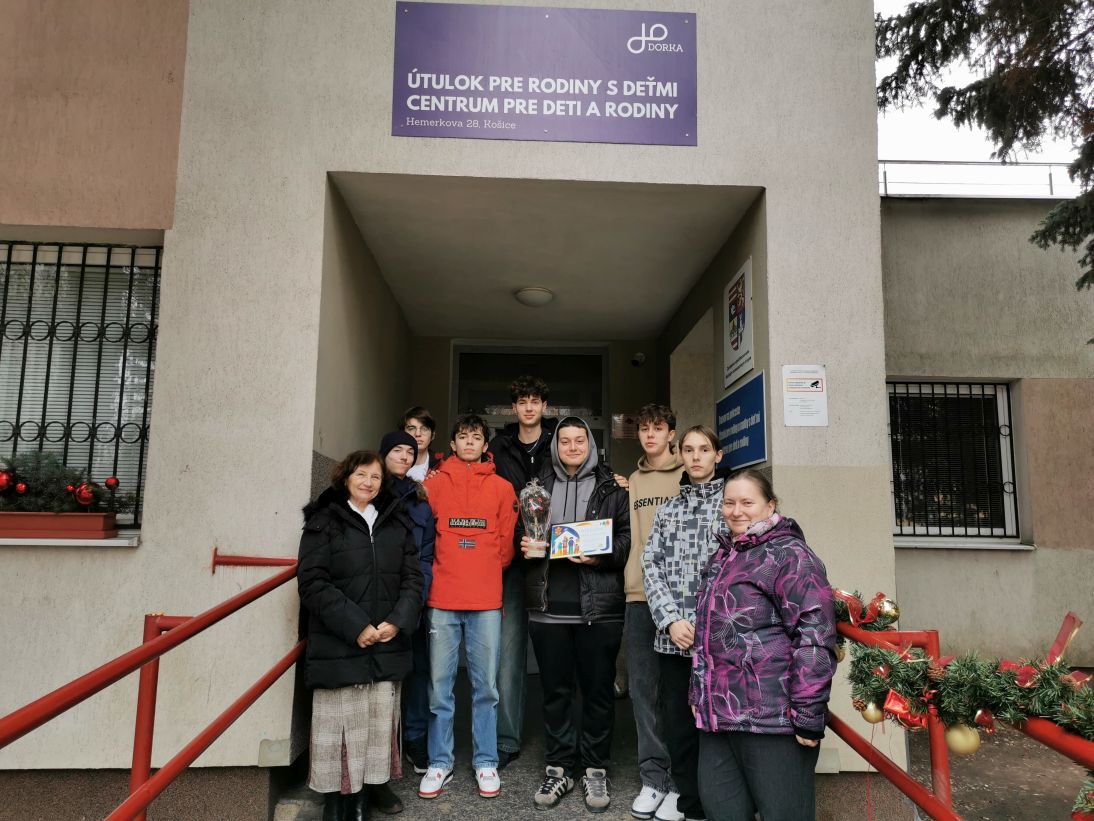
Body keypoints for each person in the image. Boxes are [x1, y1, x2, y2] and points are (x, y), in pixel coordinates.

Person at [690, 469, 836, 821]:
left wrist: (808, 715)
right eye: (729, 503)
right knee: (721, 811)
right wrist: (699, 698)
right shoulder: (724, 555)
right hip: (719, 717)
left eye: (747, 502)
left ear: (770, 506)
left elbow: (814, 632)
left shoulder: (790, 555)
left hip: (773, 721)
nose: (736, 511)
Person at [297, 451, 424, 821]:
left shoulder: (395, 522)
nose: (368, 482)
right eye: (361, 474)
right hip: (340, 644)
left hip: (386, 642)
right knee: (338, 726)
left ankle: (365, 796)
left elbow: (413, 578)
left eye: (376, 477)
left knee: (377, 724)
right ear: (346, 477)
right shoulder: (324, 521)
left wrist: (397, 621)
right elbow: (312, 582)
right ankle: (335, 802)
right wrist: (356, 626)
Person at [521, 416, 630, 814]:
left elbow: (626, 542)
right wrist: (525, 545)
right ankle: (560, 767)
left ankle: (595, 768)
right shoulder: (536, 488)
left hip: (598, 610)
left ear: (590, 444)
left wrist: (600, 556)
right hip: (549, 607)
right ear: (555, 446)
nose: (571, 447)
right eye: (564, 441)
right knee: (555, 693)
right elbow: (524, 533)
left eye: (579, 440)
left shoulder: (612, 488)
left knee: (598, 693)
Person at [419, 414, 519, 800]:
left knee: (486, 688)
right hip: (442, 599)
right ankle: (439, 762)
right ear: (453, 443)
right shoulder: (434, 485)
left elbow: (506, 547)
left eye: (476, 437)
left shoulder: (502, 488)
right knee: (439, 688)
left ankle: (486, 760)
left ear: (485, 444)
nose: (470, 442)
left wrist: (484, 567)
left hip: (485, 600)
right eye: (463, 437)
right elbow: (424, 537)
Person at [641, 426, 728, 821]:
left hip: (719, 640)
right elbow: (651, 566)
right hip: (674, 638)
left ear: (717, 455)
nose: (696, 457)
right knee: (678, 722)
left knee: (717, 724)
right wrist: (670, 620)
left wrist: (707, 624)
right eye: (689, 450)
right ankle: (687, 799)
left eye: (704, 449)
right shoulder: (668, 510)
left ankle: (719, 800)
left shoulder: (732, 506)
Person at [488, 375, 558, 769]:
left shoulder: (560, 441)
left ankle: (560, 742)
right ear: (513, 407)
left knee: (558, 654)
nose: (529, 407)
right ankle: (506, 739)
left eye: (535, 401)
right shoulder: (497, 448)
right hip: (513, 562)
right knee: (509, 654)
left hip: (555, 561)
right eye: (522, 401)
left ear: (544, 406)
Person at [624, 404, 685, 821]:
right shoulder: (632, 480)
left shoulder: (688, 476)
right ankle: (653, 778)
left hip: (679, 600)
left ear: (671, 434)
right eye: (644, 428)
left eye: (657, 428)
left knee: (677, 694)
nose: (650, 434)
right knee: (642, 689)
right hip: (638, 594)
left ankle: (679, 782)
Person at [378, 430, 436, 797]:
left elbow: (427, 555)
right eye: (397, 450)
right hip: (374, 602)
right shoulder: (369, 491)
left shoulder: (420, 500)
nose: (404, 456)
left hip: (412, 600)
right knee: (380, 678)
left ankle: (415, 740)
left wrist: (416, 598)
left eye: (409, 452)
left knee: (417, 671)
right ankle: (381, 752)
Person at [402, 406, 442, 482]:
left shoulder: (442, 467)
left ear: (432, 436)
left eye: (424, 429)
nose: (418, 434)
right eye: (411, 429)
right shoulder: (391, 465)